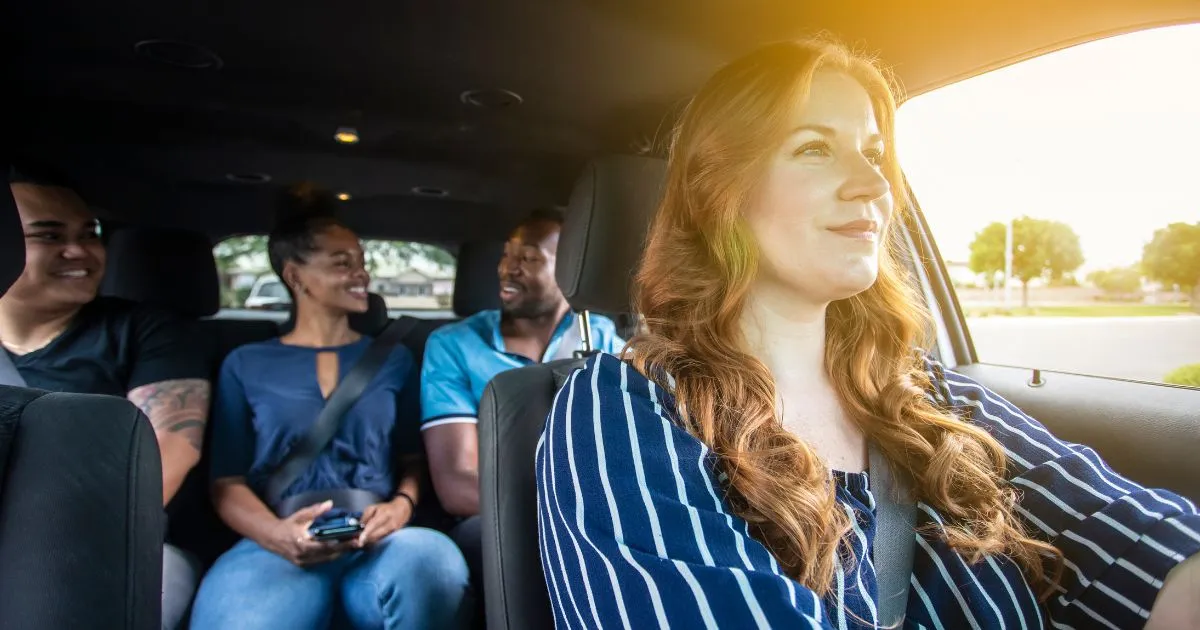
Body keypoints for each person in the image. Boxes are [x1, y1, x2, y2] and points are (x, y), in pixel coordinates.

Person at [537, 38, 1200, 630]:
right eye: (815, 149)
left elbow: (1141, 549)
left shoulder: (932, 397)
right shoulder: (621, 411)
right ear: (722, 192)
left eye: (875, 153)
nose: (874, 183)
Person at [189, 191, 470, 630]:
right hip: (276, 539)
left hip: (380, 537)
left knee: (432, 560)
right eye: (342, 262)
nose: (362, 273)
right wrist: (277, 535)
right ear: (295, 275)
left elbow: (413, 461)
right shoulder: (244, 363)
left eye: (361, 261)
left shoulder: (394, 359)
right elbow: (226, 482)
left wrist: (399, 506)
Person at [0, 165, 210, 630]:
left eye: (89, 233)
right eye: (49, 236)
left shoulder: (146, 331)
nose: (79, 251)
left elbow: (169, 452)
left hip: (124, 540)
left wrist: (64, 544)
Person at [420, 208, 625, 585]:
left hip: (597, 517)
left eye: (528, 258)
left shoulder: (602, 338)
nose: (507, 269)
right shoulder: (454, 345)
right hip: (496, 520)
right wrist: (575, 509)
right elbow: (456, 486)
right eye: (506, 255)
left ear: (570, 272)